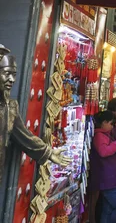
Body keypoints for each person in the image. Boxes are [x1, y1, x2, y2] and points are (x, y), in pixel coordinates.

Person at [0, 45, 70, 185]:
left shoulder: (9, 107)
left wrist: (48, 153)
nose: (12, 80)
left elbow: (25, 137)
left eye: (14, 75)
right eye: (7, 73)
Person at [91, 110, 116, 223]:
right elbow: (103, 151)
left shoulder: (104, 135)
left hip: (111, 178)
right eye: (111, 124)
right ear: (104, 122)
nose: (112, 126)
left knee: (108, 209)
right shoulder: (100, 136)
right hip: (109, 180)